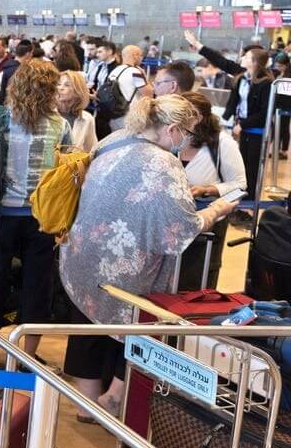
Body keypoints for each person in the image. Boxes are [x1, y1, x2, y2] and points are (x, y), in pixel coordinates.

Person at [60, 95, 237, 418]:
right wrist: (217, 209)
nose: (185, 142)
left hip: (83, 249)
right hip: (124, 263)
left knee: (87, 324)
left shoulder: (118, 138)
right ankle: (113, 398)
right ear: (171, 129)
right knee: (136, 328)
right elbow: (183, 224)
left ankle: (86, 406)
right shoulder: (163, 162)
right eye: (185, 133)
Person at [0, 60, 71, 358]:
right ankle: (27, 353)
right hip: (43, 216)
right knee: (38, 284)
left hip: (2, 213)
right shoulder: (60, 124)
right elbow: (66, 172)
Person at [183, 30, 273, 208]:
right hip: (241, 127)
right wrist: (198, 45)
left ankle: (248, 206)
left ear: (254, 62)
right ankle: (239, 203)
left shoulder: (266, 83)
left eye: (246, 56)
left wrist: (244, 124)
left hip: (256, 130)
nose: (242, 58)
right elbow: (221, 61)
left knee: (252, 167)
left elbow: (264, 112)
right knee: (242, 165)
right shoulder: (242, 76)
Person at [176, 90, 245, 290]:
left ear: (202, 118)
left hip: (210, 223)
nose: (184, 122)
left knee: (200, 278)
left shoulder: (222, 143)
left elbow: (240, 185)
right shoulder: (169, 138)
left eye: (190, 116)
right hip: (173, 219)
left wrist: (207, 189)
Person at [56, 70, 97, 154]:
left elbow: (91, 151)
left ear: (78, 91)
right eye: (58, 84)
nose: (60, 88)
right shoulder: (47, 115)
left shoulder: (87, 118)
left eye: (67, 85)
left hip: (73, 165)